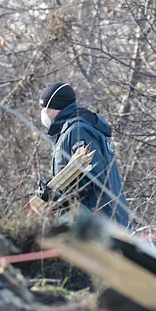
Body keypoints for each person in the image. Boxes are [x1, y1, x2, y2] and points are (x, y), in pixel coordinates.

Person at [34, 81, 132, 229]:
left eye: (44, 108)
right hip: (89, 224)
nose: (42, 113)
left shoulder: (78, 132)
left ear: (56, 108)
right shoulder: (70, 130)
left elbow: (92, 182)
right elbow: (74, 177)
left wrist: (55, 196)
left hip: (99, 226)